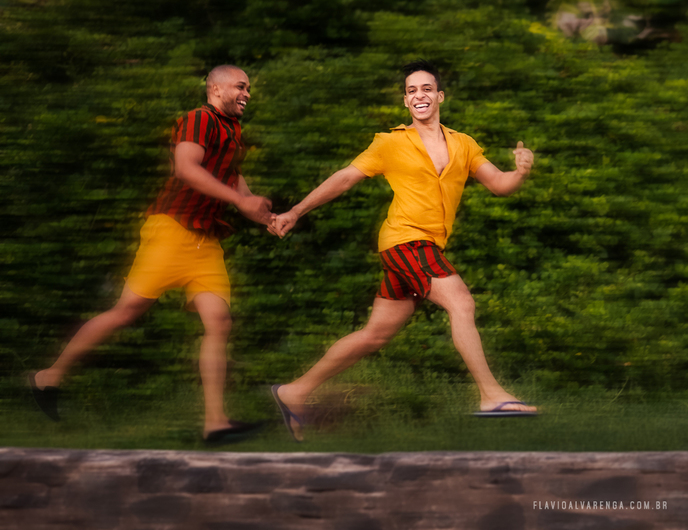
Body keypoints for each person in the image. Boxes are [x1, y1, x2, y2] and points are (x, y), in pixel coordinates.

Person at [267, 59, 537, 442]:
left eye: (426, 89)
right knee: (460, 302)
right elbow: (345, 178)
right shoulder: (390, 142)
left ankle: (294, 391)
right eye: (411, 91)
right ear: (405, 101)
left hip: (423, 246)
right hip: (405, 240)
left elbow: (499, 184)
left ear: (439, 96)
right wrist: (295, 211)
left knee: (374, 335)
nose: (419, 96)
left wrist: (521, 172)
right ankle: (492, 395)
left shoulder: (464, 144)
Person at [29, 65, 274, 445]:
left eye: (248, 88)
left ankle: (216, 423)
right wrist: (241, 200)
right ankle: (49, 377)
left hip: (205, 241)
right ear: (215, 88)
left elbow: (232, 179)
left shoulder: (232, 130)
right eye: (240, 86)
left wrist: (262, 214)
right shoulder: (199, 119)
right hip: (171, 230)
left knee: (219, 322)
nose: (247, 93)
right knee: (126, 312)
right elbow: (186, 169)